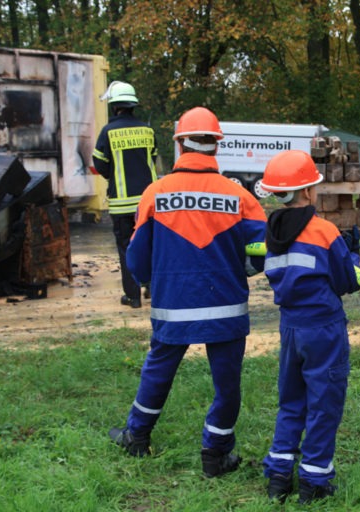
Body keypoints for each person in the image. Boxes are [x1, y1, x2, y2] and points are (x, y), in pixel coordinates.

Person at [108, 107, 267, 480]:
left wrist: (153, 281)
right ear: (216, 146)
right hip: (226, 307)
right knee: (227, 385)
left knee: (158, 370)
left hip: (172, 305)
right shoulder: (238, 196)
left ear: (179, 143)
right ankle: (216, 455)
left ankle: (137, 436)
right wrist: (238, 269)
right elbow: (259, 251)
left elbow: (137, 258)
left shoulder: (155, 193)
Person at [259, 150, 360, 504]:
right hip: (324, 329)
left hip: (290, 329)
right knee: (324, 403)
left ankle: (278, 474)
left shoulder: (270, 233)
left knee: (291, 401)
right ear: (307, 192)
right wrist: (353, 254)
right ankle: (315, 480)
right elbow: (346, 280)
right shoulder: (323, 230)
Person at [92, 81, 158, 308]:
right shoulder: (147, 130)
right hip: (149, 203)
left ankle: (133, 297)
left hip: (121, 204)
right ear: (133, 106)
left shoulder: (108, 132)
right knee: (150, 244)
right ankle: (151, 289)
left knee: (126, 248)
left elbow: (99, 163)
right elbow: (153, 156)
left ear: (114, 107)